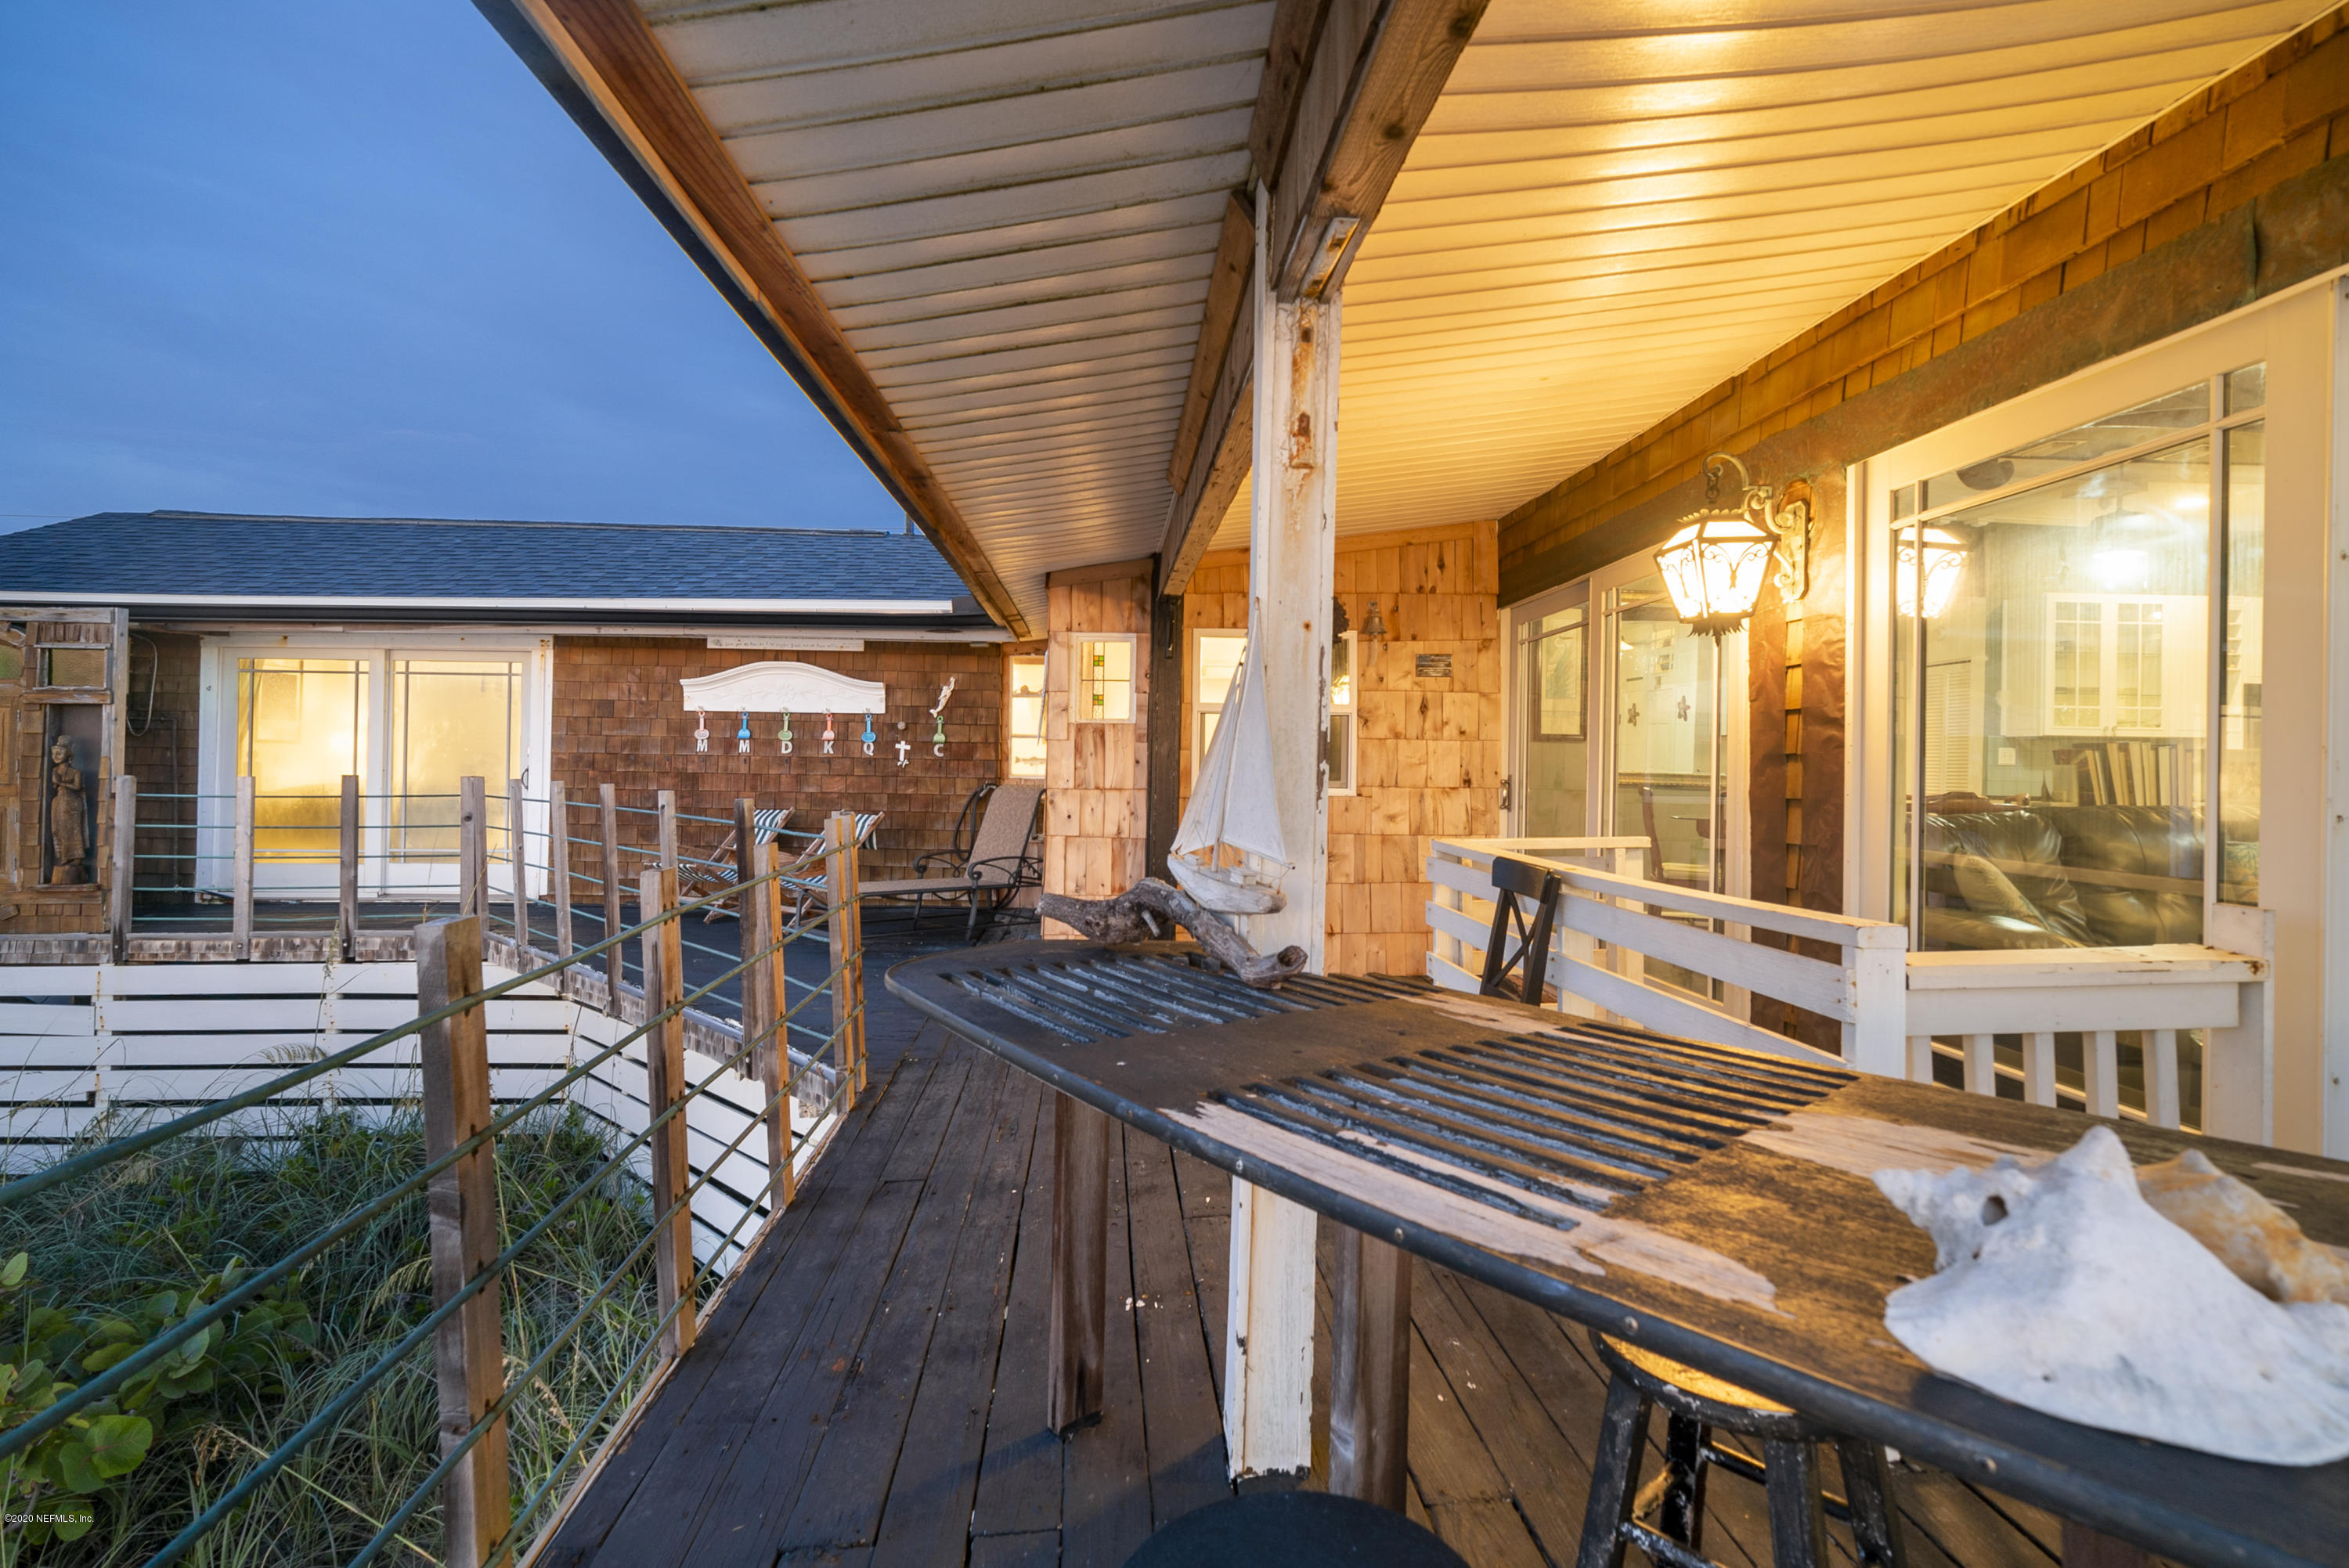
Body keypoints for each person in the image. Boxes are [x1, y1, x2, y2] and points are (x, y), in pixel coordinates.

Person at [48, 736, 88, 884]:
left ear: (68, 755)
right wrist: (57, 783)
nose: (56, 756)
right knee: (58, 829)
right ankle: (65, 855)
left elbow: (77, 787)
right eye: (54, 753)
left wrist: (61, 784)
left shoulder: (76, 772)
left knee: (73, 829)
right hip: (59, 801)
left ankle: (77, 856)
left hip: (72, 802)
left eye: (60, 753)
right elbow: (54, 785)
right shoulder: (55, 770)